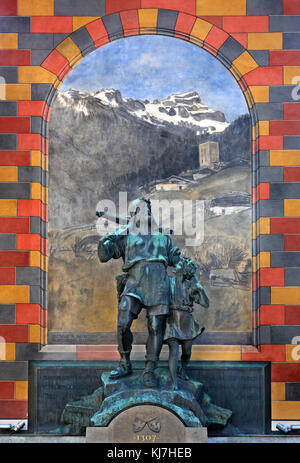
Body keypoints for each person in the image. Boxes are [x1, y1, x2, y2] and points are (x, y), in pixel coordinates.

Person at [97, 197, 181, 388]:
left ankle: (149, 370)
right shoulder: (125, 236)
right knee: (122, 324)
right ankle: (125, 363)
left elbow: (176, 261)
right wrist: (105, 241)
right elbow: (104, 257)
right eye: (142, 209)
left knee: (155, 326)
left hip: (159, 286)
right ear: (134, 214)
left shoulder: (163, 238)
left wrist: (180, 260)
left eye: (148, 208)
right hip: (134, 284)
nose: (147, 212)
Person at [164, 257, 209, 390]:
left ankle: (182, 370)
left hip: (186, 320)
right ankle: (174, 382)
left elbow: (206, 304)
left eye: (179, 265)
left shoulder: (190, 286)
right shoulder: (168, 281)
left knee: (187, 351)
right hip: (172, 320)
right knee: (174, 350)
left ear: (184, 270)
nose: (176, 266)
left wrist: (200, 289)